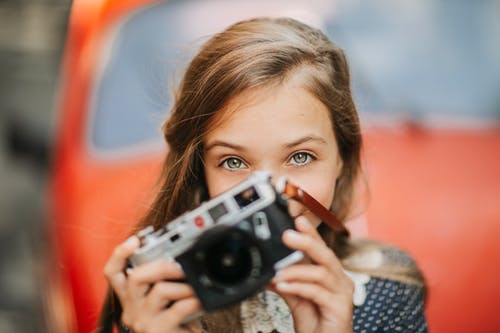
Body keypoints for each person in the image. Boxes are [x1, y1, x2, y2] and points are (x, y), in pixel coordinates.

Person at [98, 17, 428, 333]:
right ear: (199, 171)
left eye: (300, 156)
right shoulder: (160, 300)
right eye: (233, 162)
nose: (267, 194)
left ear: (342, 158)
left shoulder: (389, 292)